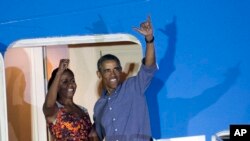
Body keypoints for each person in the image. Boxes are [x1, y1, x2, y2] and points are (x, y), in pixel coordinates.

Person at [93, 16, 157, 141]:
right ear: (99, 74)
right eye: (107, 71)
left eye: (116, 69)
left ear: (120, 70)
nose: (113, 74)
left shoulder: (134, 87)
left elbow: (148, 67)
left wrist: (149, 39)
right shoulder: (99, 106)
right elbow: (97, 136)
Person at [43, 59, 96, 141]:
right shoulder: (54, 109)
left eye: (72, 80)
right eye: (65, 82)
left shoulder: (83, 110)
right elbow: (49, 104)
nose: (71, 84)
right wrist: (59, 72)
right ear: (56, 86)